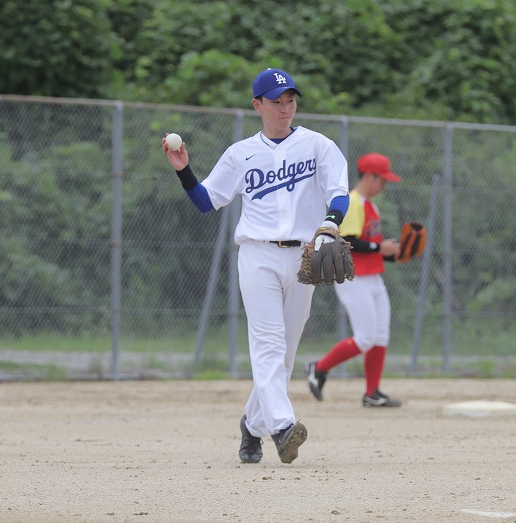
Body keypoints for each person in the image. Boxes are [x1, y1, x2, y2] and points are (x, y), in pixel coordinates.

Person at [162, 68, 350, 463]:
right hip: (257, 255)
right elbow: (206, 201)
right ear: (257, 105)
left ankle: (251, 425)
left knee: (285, 354)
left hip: (304, 256)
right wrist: (183, 170)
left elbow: (338, 192)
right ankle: (282, 428)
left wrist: (331, 222)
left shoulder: (318, 146)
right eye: (276, 101)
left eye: (290, 100)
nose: (285, 108)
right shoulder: (241, 153)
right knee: (268, 343)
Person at [305, 153, 403, 408]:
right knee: (365, 337)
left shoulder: (371, 206)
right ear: (369, 176)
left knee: (380, 336)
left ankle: (372, 393)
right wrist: (379, 248)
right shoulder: (353, 202)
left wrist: (393, 254)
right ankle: (319, 367)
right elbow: (348, 241)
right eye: (382, 180)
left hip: (373, 277)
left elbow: (370, 247)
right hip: (354, 278)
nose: (384, 185)